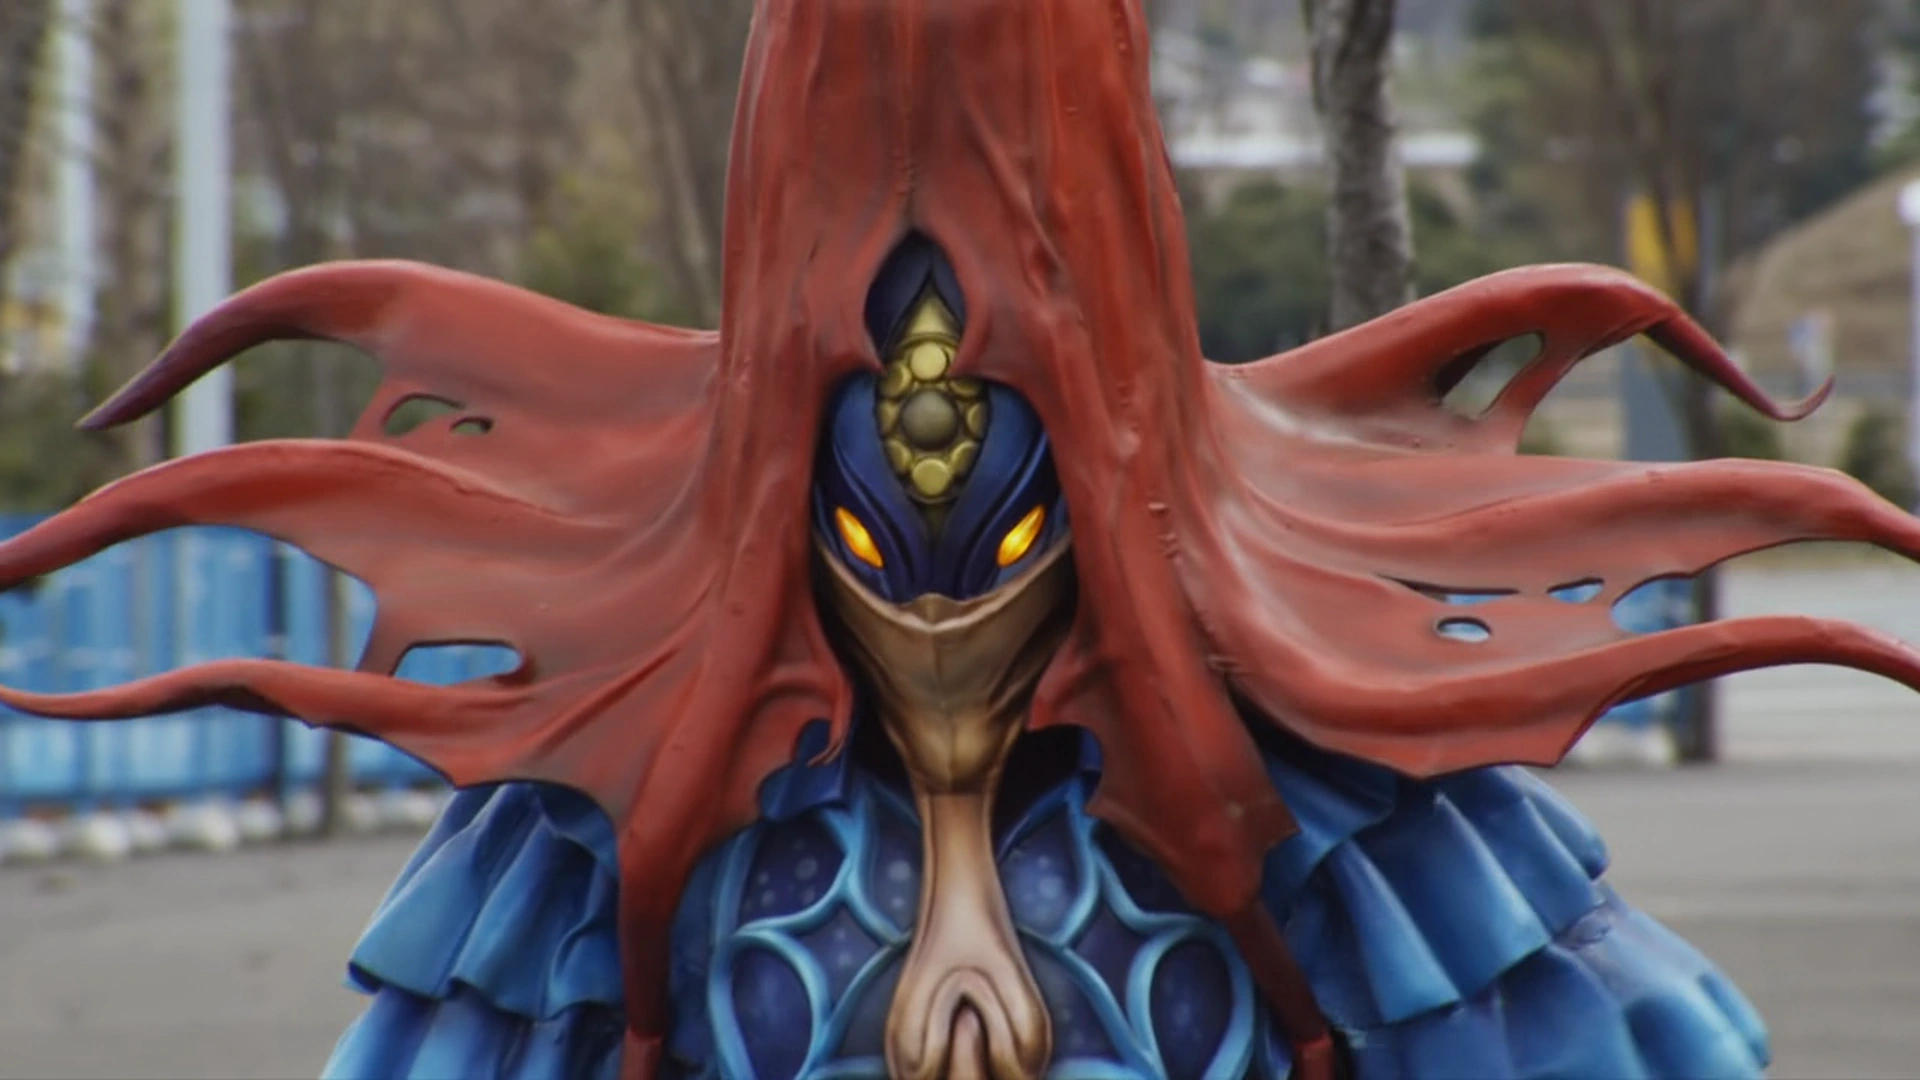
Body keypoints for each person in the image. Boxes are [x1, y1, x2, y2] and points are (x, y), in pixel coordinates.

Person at [3, 1, 1917, 1077]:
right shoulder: (607, 849)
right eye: (875, 511)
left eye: (1006, 516)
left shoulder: (1345, 830)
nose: (938, 595)